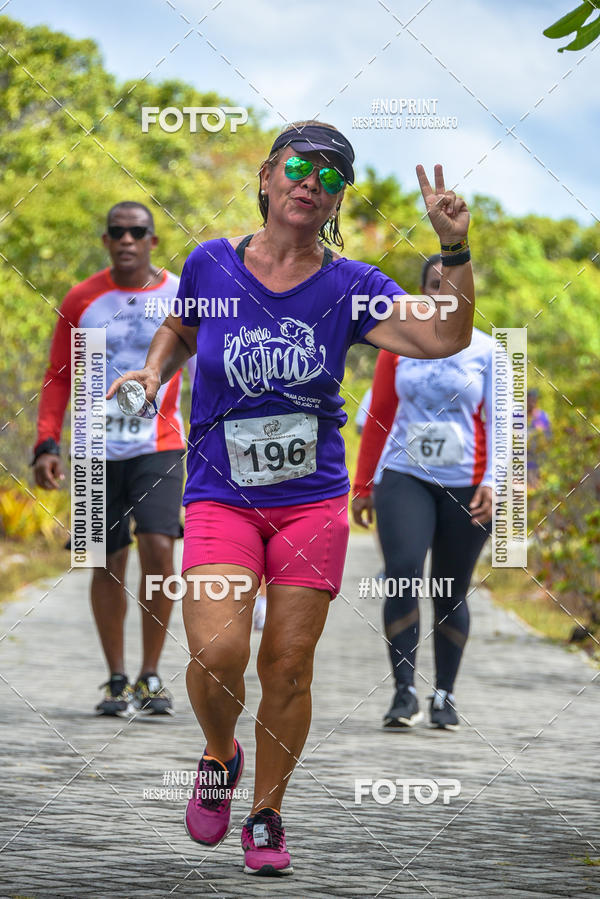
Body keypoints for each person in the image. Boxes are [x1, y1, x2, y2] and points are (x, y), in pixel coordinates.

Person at [107, 121, 475, 875]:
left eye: (332, 176)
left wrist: (456, 252)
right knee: (216, 653)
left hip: (310, 502)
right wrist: (153, 373)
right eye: (300, 167)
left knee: (289, 665)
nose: (313, 181)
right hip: (218, 493)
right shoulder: (211, 264)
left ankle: (267, 815)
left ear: (337, 199)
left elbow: (446, 339)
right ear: (269, 177)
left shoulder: (354, 284)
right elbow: (179, 330)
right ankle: (219, 752)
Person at [33, 201, 192, 716]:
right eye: (117, 233)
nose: (127, 240)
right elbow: (59, 377)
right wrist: (45, 443)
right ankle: (117, 678)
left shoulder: (176, 294)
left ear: (152, 239)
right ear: (106, 240)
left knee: (160, 552)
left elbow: (206, 362)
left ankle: (150, 675)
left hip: (159, 443)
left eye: (137, 232)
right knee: (104, 561)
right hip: (96, 446)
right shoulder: (83, 299)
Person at [353, 254, 495, 731]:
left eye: (451, 285)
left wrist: (497, 484)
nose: (442, 294)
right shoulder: (398, 346)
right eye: (433, 285)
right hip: (404, 476)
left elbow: (505, 425)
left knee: (451, 589)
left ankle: (445, 695)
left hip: (467, 484)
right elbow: (377, 418)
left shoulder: (490, 351)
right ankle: (404, 691)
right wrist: (363, 485)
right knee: (403, 574)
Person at [527, 388, 551, 487]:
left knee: (537, 487)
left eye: (534, 400)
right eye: (530, 399)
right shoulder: (519, 416)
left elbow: (549, 437)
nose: (532, 402)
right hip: (523, 460)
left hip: (539, 460)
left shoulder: (543, 416)